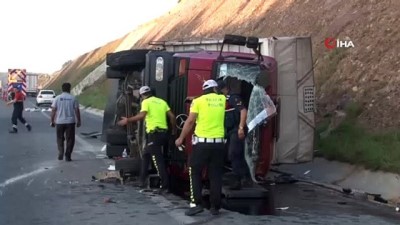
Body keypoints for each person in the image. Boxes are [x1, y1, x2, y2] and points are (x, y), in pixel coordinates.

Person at [175, 79, 226, 216]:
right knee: (215, 175)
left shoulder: (197, 102)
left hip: (202, 144)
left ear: (203, 90)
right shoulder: (222, 100)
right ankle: (215, 207)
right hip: (219, 144)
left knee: (195, 172)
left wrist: (180, 138)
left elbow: (190, 121)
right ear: (215, 89)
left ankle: (196, 203)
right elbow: (214, 97)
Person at [118, 86, 176, 194]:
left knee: (158, 160)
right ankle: (141, 180)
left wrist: (128, 120)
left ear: (142, 95)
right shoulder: (161, 101)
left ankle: (165, 186)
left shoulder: (146, 102)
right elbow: (172, 117)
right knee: (145, 154)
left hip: (154, 134)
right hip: (164, 134)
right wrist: (173, 131)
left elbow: (142, 115)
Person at [217, 78, 250, 190]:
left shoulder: (233, 98)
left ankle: (239, 180)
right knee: (235, 154)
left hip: (236, 129)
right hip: (230, 131)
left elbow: (243, 111)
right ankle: (244, 178)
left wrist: (241, 127)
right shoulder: (223, 99)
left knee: (234, 154)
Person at [50, 83, 81, 161]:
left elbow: (53, 110)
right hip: (70, 122)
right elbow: (77, 110)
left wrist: (52, 120)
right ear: (69, 89)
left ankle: (61, 152)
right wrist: (79, 120)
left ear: (62, 89)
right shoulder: (73, 98)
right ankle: (68, 155)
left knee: (59, 138)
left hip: (59, 122)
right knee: (70, 139)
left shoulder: (57, 98)